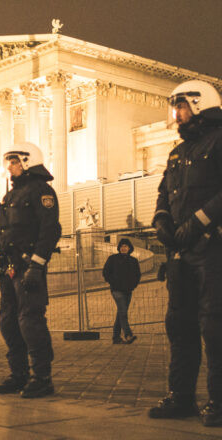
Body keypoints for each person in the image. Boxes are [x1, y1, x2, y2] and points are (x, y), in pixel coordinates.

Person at [149, 80, 222, 427]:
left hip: (213, 250)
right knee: (179, 327)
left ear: (198, 104)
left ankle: (220, 403)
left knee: (215, 326)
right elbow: (164, 193)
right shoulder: (177, 153)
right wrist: (161, 220)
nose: (176, 115)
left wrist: (200, 221)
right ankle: (181, 397)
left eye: (180, 107)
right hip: (180, 254)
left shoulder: (219, 140)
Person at [0, 141, 61, 398]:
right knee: (8, 323)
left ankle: (42, 378)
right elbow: (2, 234)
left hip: (29, 267)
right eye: (9, 162)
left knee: (31, 322)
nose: (9, 167)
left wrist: (37, 266)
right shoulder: (9, 196)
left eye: (14, 162)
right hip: (9, 269)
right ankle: (18, 375)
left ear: (28, 162)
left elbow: (51, 230)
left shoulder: (42, 191)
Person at [102, 238, 141, 344]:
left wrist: (133, 285)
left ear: (129, 248)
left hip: (128, 290)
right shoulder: (112, 259)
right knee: (123, 312)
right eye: (122, 246)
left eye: (126, 246)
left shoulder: (134, 261)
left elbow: (138, 275)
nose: (124, 248)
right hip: (116, 290)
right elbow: (106, 272)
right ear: (119, 248)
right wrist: (112, 282)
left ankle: (115, 337)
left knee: (121, 313)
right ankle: (128, 335)